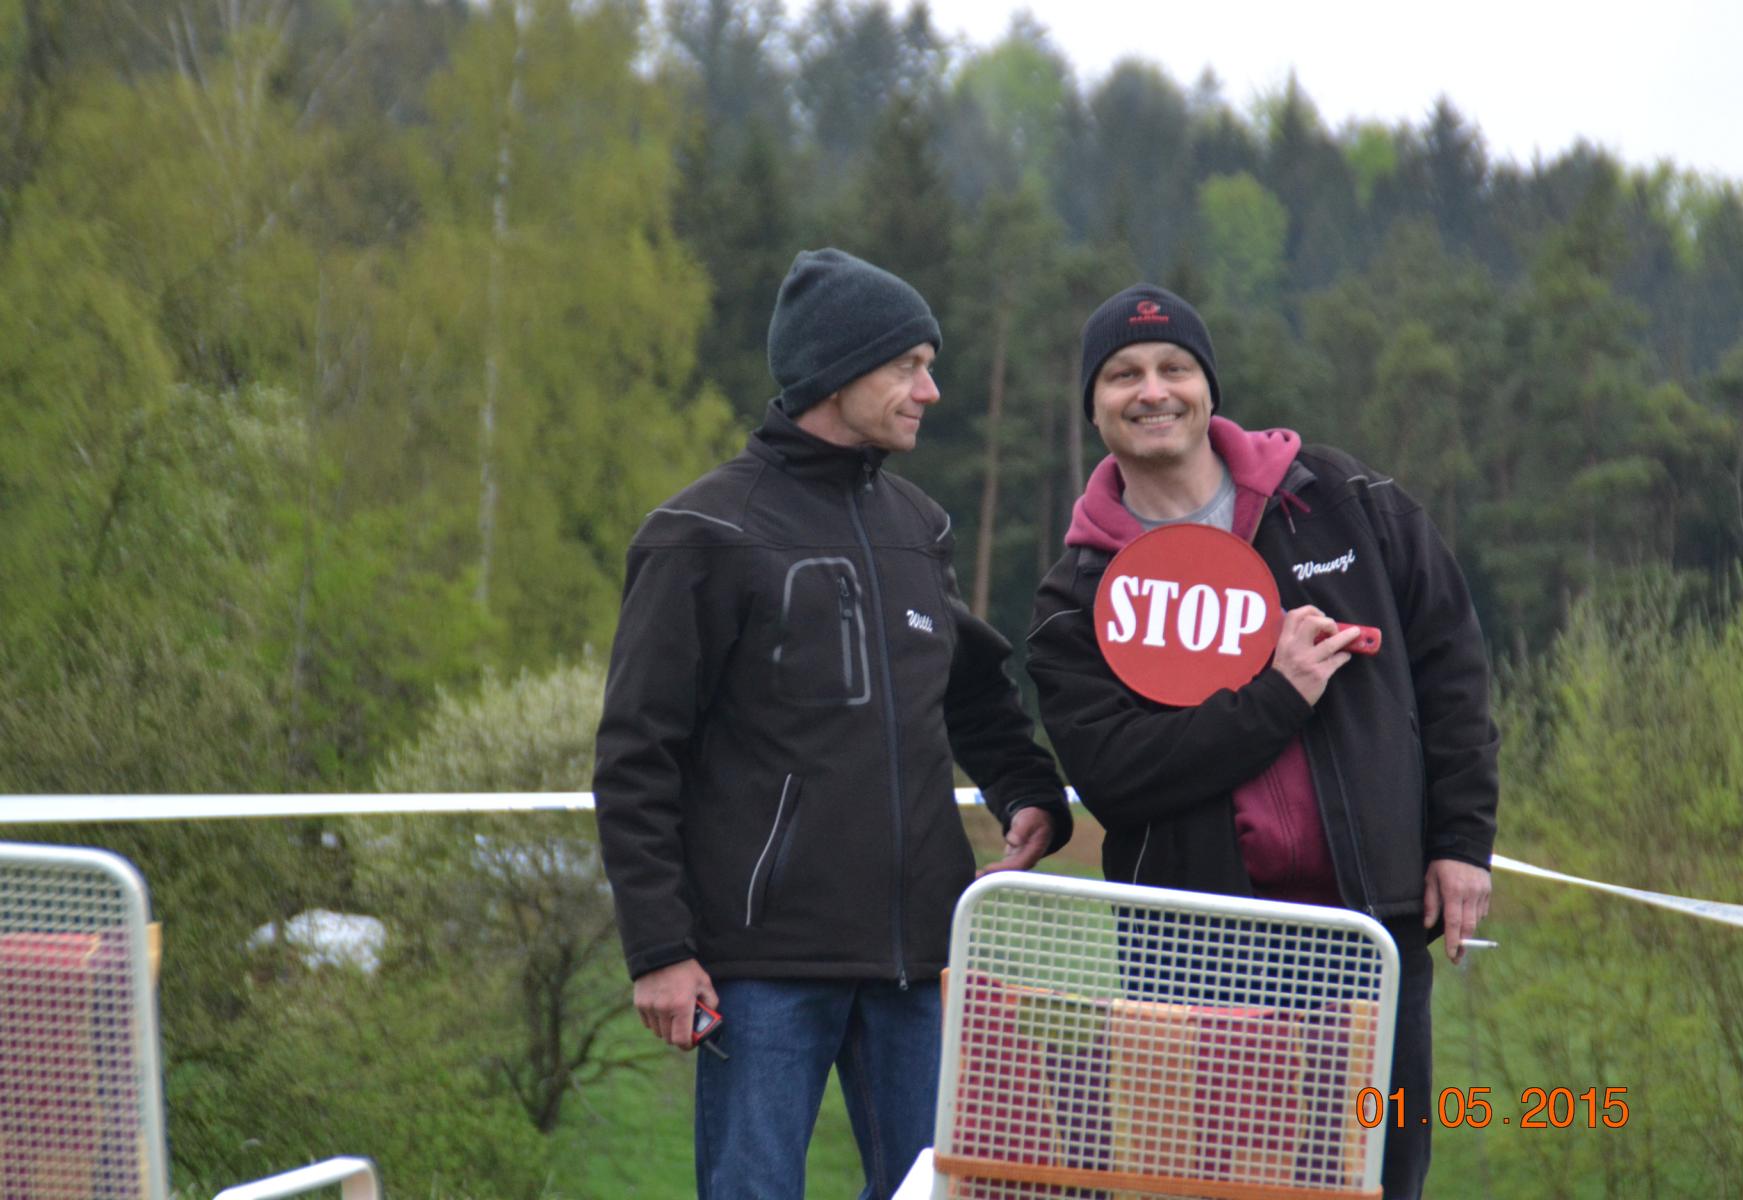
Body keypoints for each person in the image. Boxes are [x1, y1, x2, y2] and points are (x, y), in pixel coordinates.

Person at [593, 248, 1072, 1200]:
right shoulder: (702, 532)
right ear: (834, 372)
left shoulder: (919, 526)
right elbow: (636, 757)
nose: (930, 391)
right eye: (908, 366)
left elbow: (972, 690)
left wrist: (1029, 792)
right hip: (761, 966)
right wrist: (660, 950)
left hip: (920, 958)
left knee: (937, 1193)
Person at [1026, 283, 1499, 1199]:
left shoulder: (1343, 501)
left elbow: (1451, 668)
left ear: (1209, 387)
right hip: (1194, 948)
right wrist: (1276, 697)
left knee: (1378, 1177)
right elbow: (1117, 777)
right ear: (1093, 406)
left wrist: (1460, 841)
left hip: (1368, 929)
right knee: (1209, 1185)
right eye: (1122, 375)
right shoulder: (1075, 596)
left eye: (1174, 367)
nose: (1152, 391)